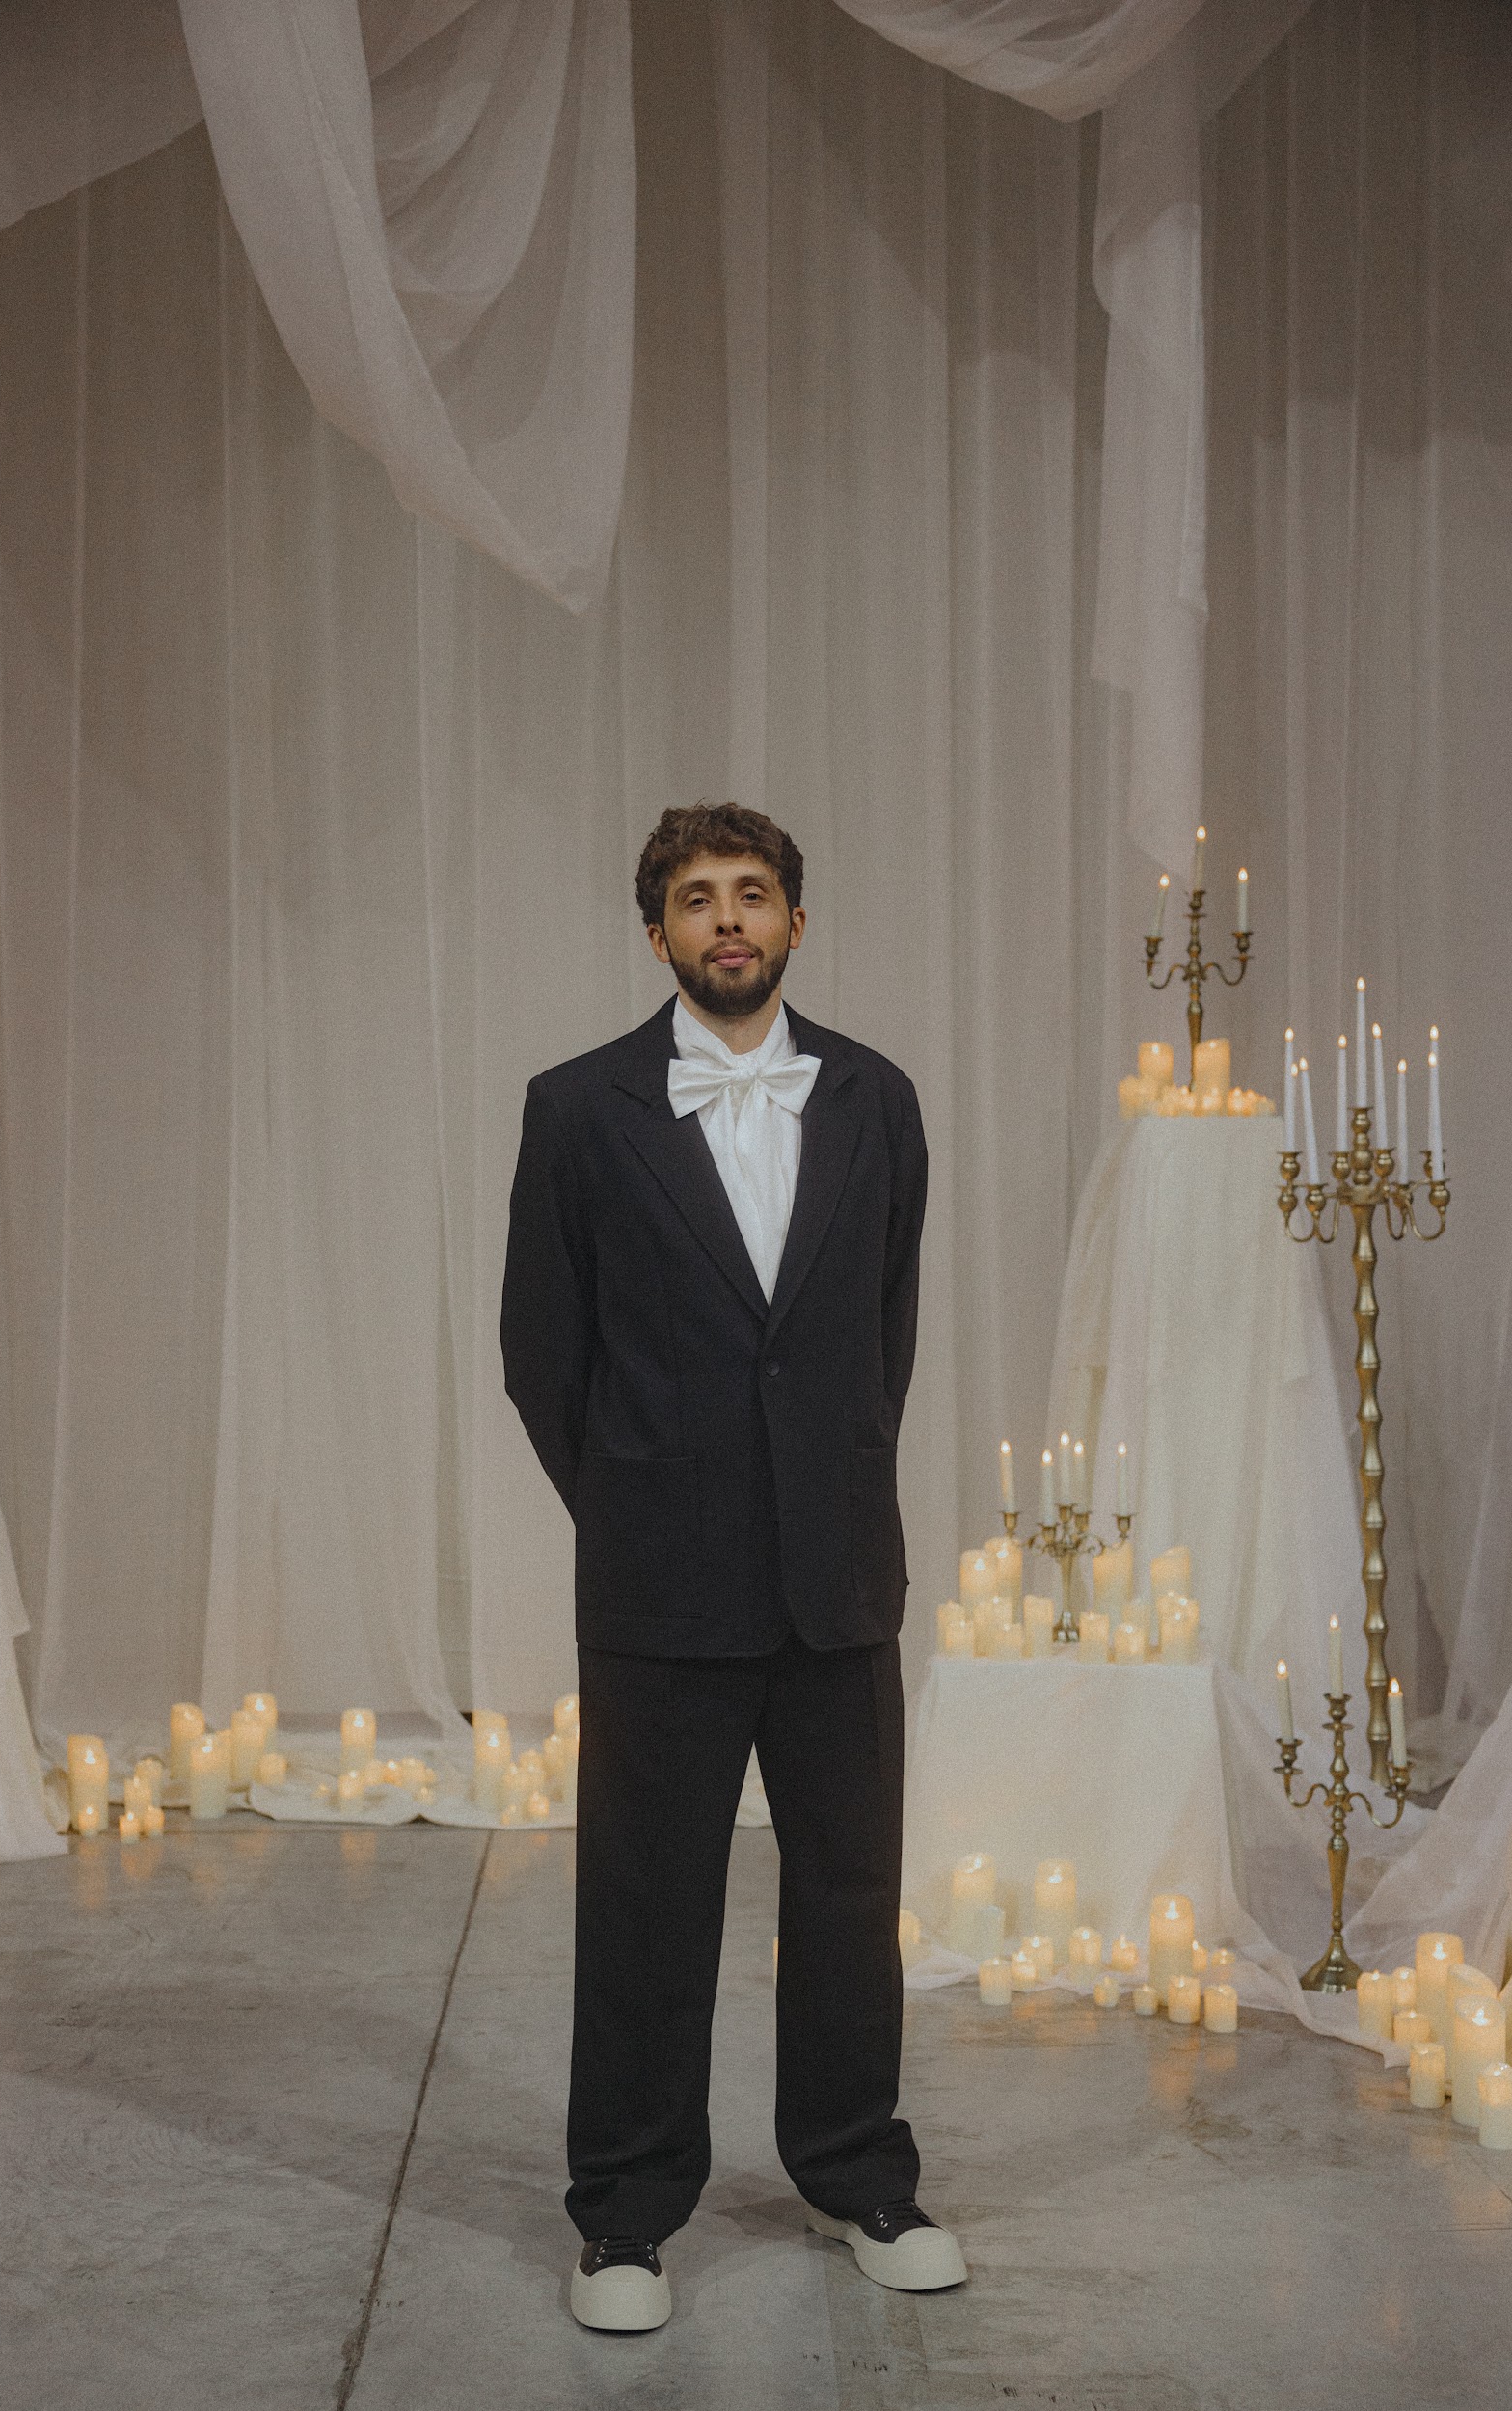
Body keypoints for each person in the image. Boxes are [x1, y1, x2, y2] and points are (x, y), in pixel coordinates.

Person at [500, 801, 964, 2333]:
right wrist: (636, 1501)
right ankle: (626, 2220)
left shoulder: (879, 1100)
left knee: (846, 1893)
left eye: (751, 894)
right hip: (659, 1582)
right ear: (658, 936)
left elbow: (880, 1334)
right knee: (646, 1904)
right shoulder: (579, 1110)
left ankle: (860, 2175)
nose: (727, 920)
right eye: (695, 899)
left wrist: (830, 1480)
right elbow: (542, 1352)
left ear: (794, 923)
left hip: (838, 1575)